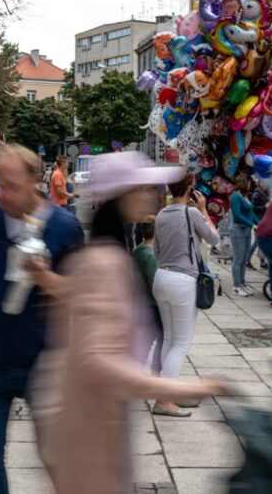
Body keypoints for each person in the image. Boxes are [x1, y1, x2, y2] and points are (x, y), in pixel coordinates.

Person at [33, 152, 225, 493]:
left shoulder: (111, 254)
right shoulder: (105, 261)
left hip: (97, 421)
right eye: (144, 187)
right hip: (87, 431)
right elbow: (95, 357)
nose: (152, 194)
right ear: (126, 195)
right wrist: (179, 387)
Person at [0, 144, 84, 494]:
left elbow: (83, 294)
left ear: (35, 181)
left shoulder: (64, 227)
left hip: (45, 362)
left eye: (12, 184)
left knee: (56, 458)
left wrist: (47, 279)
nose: (2, 193)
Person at [151, 172, 219, 417]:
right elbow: (214, 238)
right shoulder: (191, 213)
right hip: (182, 281)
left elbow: (157, 251)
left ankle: (167, 394)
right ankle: (163, 399)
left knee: (170, 340)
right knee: (180, 344)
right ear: (190, 188)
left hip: (162, 277)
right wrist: (204, 211)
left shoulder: (161, 215)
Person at [132, 216, 163, 375]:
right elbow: (154, 283)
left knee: (146, 338)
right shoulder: (150, 255)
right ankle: (155, 370)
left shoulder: (138, 249)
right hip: (153, 304)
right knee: (160, 338)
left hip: (142, 302)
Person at [229, 177, 257, 296]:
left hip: (246, 230)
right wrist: (252, 224)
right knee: (238, 258)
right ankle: (236, 286)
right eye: (249, 183)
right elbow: (237, 215)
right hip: (238, 229)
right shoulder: (235, 196)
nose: (251, 185)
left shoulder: (245, 196)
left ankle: (242, 283)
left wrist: (260, 223)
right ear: (244, 183)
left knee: (244, 259)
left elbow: (251, 214)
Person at [248, 181, 269, 269]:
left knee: (262, 241)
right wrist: (265, 207)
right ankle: (247, 259)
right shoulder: (256, 194)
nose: (265, 184)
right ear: (259, 184)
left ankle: (262, 262)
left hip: (263, 219)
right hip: (258, 220)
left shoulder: (264, 193)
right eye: (263, 183)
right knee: (257, 241)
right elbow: (253, 208)